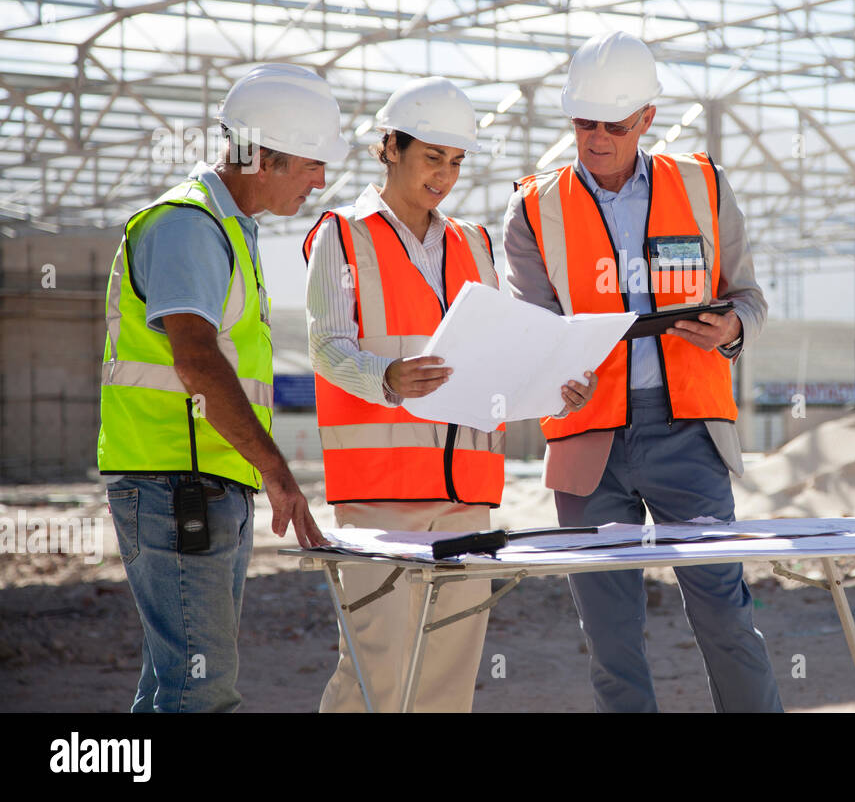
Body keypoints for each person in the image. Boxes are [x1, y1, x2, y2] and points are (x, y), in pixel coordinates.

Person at [504, 30, 783, 713]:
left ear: (647, 120)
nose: (595, 138)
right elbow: (528, 332)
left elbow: (749, 297)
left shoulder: (704, 185)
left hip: (689, 434)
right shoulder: (533, 208)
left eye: (613, 125)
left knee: (724, 615)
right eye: (582, 123)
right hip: (585, 441)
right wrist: (550, 373)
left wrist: (732, 327)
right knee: (610, 638)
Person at [304, 76, 595, 712]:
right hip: (380, 492)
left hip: (466, 493)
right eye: (433, 156)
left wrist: (553, 390)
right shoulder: (342, 235)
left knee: (446, 676)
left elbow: (498, 363)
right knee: (375, 667)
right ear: (391, 148)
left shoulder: (475, 243)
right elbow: (325, 346)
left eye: (456, 162)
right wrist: (384, 377)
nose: (445, 175)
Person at [99, 63, 340, 712]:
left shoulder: (230, 227)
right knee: (198, 692)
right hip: (177, 485)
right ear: (262, 157)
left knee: (171, 685)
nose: (322, 181)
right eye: (312, 164)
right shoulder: (190, 225)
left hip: (200, 483)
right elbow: (198, 361)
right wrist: (277, 470)